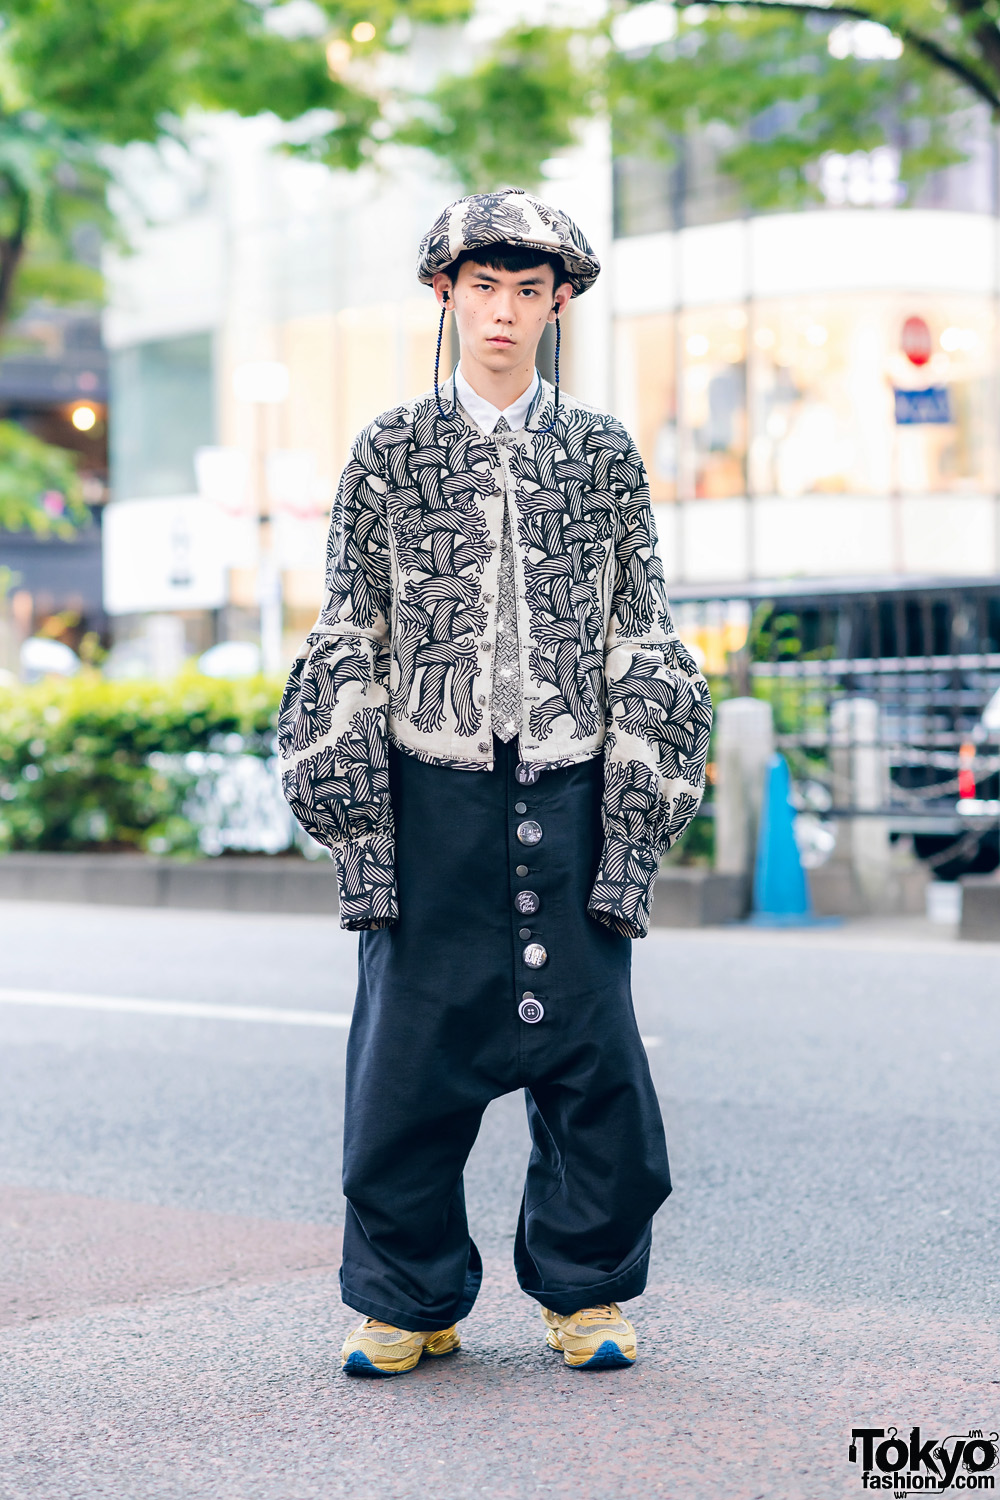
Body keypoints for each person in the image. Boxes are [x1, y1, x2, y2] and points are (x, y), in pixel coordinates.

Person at [279, 188, 712, 1376]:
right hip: (430, 791)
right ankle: (409, 1300)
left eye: (529, 292)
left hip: (573, 786)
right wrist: (362, 834)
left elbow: (642, 635)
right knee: (406, 1062)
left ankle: (585, 1293)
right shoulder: (388, 451)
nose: (505, 314)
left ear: (560, 302)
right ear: (445, 295)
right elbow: (347, 636)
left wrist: (634, 827)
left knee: (594, 1061)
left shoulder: (603, 453)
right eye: (484, 290)